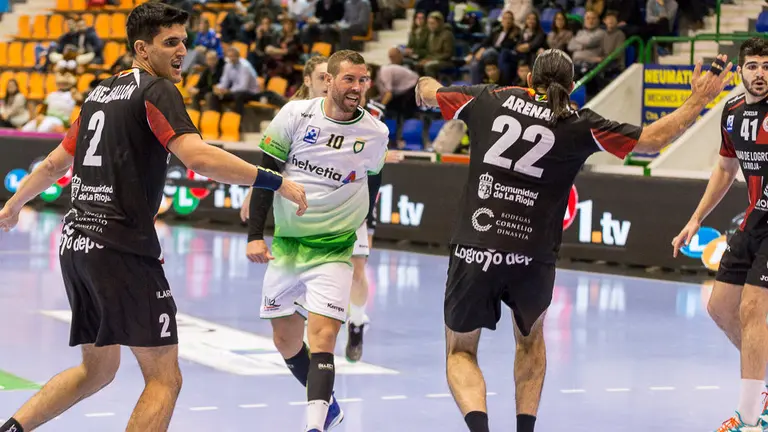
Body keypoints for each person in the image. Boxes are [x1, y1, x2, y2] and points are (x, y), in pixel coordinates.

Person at [0, 3, 307, 432]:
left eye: (184, 40)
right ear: (142, 48)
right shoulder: (157, 91)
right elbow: (198, 157)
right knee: (165, 378)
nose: (183, 50)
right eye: (171, 42)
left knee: (97, 370)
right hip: (121, 247)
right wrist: (271, 180)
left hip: (76, 244)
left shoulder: (98, 93)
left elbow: (54, 165)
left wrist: (14, 204)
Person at [414, 48, 733, 432]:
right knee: (530, 343)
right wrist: (699, 100)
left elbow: (431, 91)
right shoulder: (579, 122)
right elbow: (652, 140)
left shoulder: (487, 98)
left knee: (461, 350)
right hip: (532, 255)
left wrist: (423, 84)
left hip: (474, 245)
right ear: (571, 87)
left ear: (529, 80)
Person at [244, 50, 388, 432]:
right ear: (328, 81)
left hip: (337, 242)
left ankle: (315, 425)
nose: (357, 88)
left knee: (323, 336)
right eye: (349, 80)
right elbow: (265, 173)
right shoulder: (295, 115)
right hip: (290, 243)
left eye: (363, 81)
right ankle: (331, 406)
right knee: (284, 339)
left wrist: (366, 223)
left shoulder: (375, 132)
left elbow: (371, 181)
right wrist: (255, 235)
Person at [672, 37, 768, 432]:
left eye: (767, 66)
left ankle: (749, 420)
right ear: (741, 71)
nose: (761, 73)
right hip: (755, 218)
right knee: (721, 307)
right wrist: (696, 218)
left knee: (753, 309)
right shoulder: (731, 111)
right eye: (753, 66)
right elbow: (726, 169)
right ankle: (760, 386)